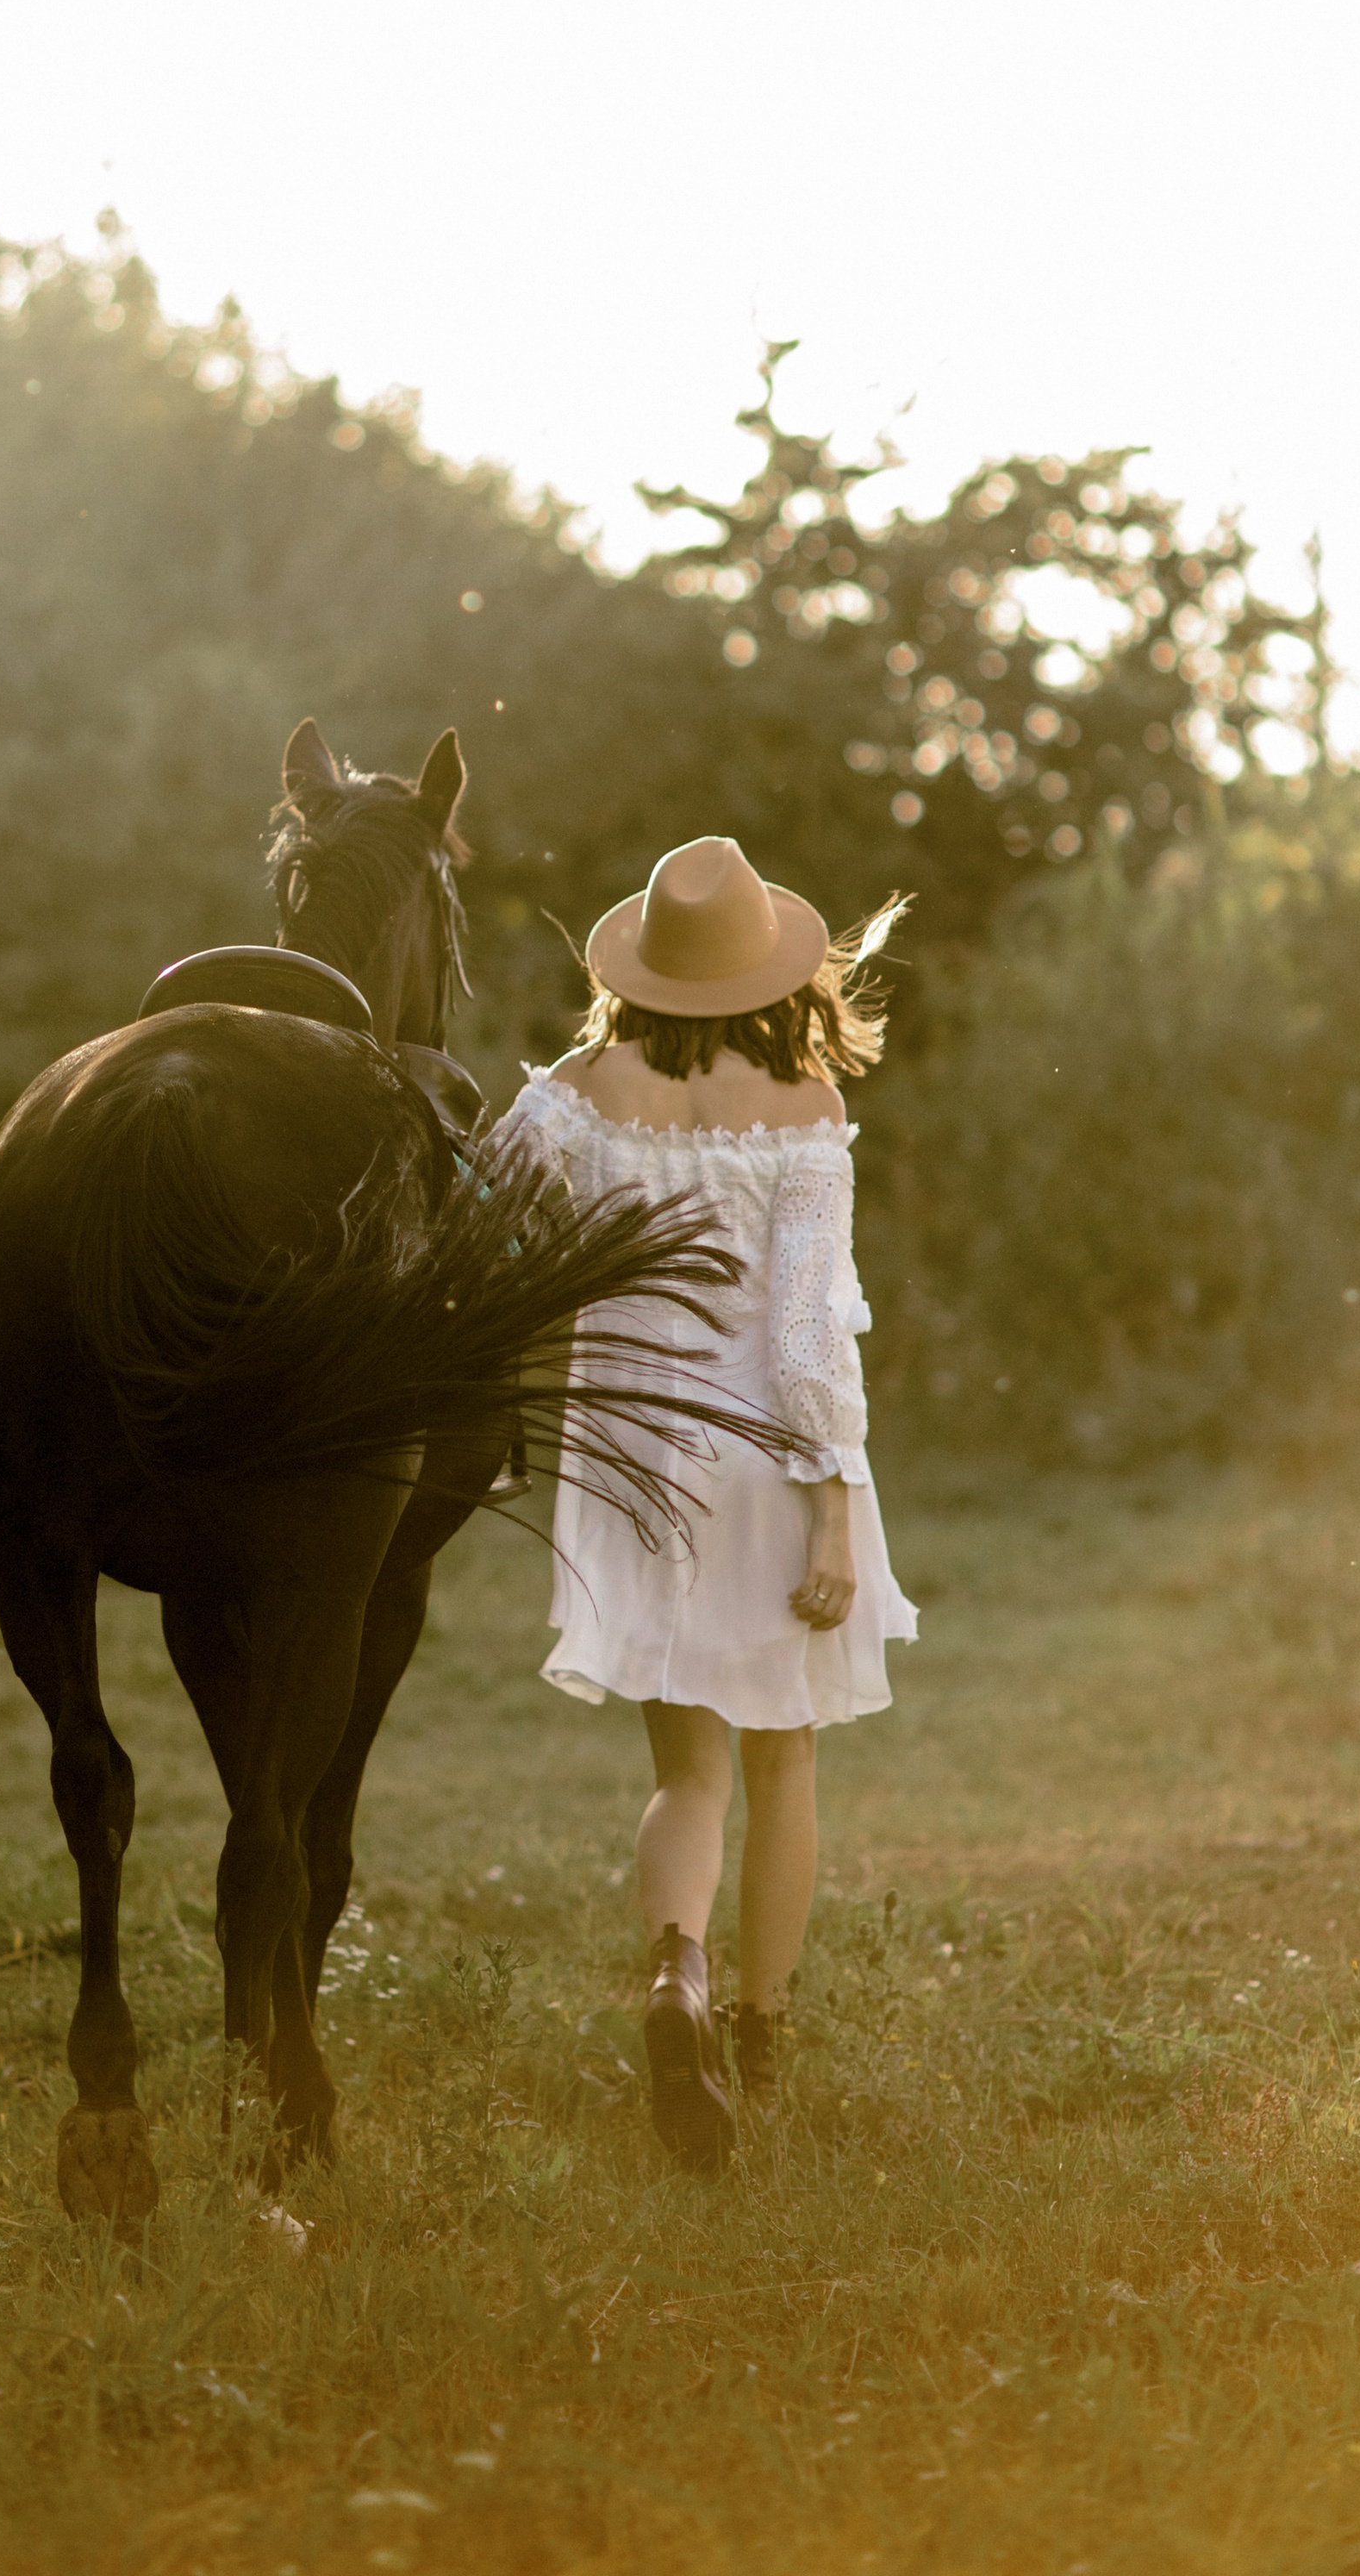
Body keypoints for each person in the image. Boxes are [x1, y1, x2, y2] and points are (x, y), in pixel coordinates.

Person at [494, 835, 916, 2172]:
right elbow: (804, 1340)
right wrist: (837, 1502)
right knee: (782, 1759)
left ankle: (674, 1974)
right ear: (770, 971)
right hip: (766, 1462)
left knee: (688, 1772)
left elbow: (475, 1222)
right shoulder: (803, 1109)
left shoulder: (575, 1091)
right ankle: (759, 2029)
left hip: (631, 1461)